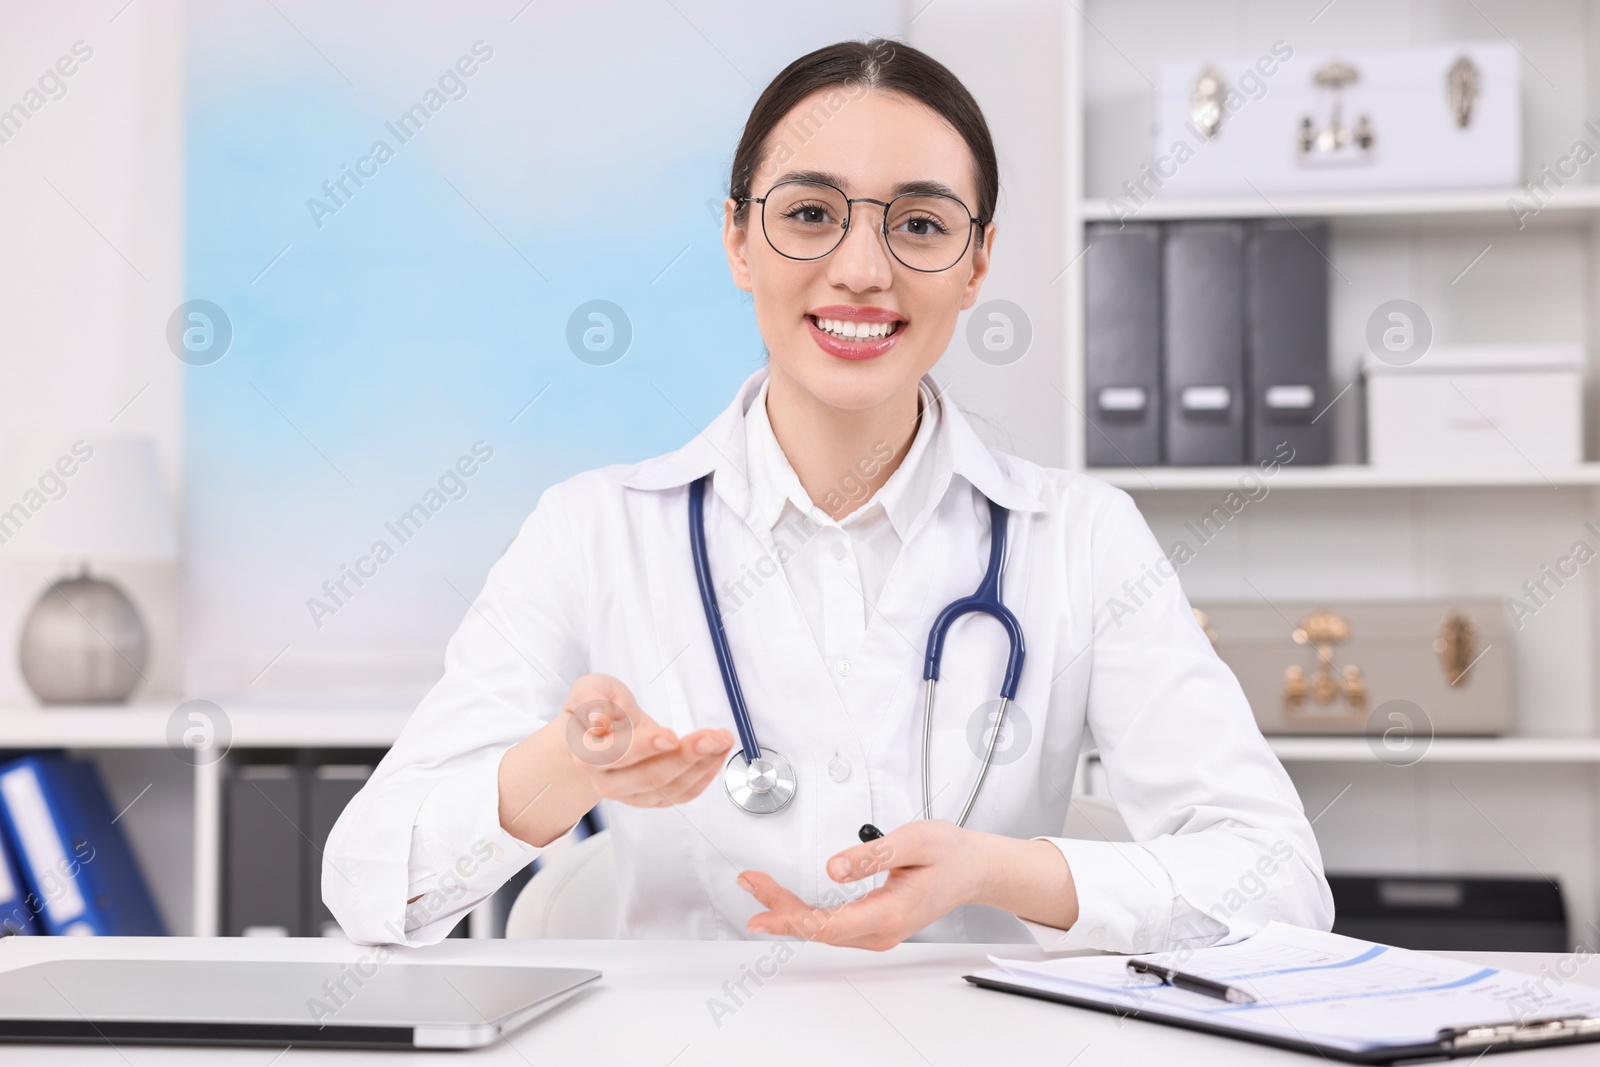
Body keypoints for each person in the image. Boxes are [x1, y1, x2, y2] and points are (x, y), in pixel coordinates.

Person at [324, 38, 1332, 952]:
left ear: (976, 260)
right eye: (809, 214)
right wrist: (565, 769)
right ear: (736, 240)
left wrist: (998, 869)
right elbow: (365, 884)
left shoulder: (1080, 537)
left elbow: (1278, 881)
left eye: (920, 224)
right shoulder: (594, 530)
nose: (861, 270)